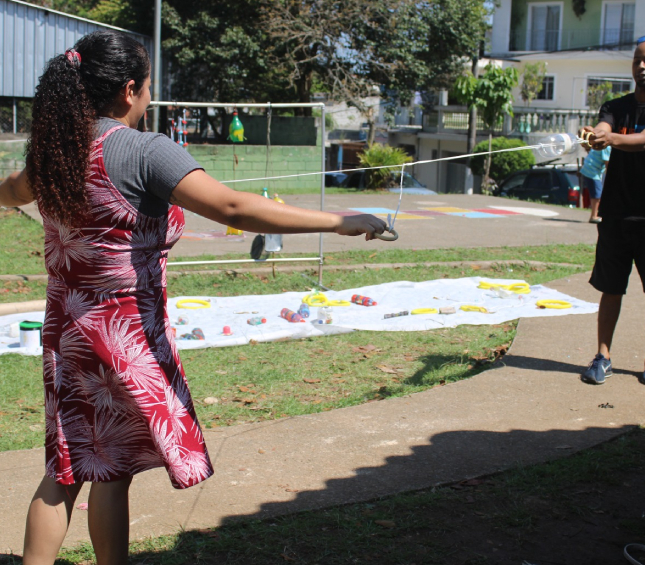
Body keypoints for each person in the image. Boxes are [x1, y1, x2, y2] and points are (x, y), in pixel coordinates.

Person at [0, 30, 387, 565]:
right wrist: (341, 220)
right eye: (149, 88)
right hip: (124, 335)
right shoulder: (143, 150)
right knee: (109, 469)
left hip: (65, 331)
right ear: (130, 90)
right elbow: (231, 207)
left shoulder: (55, 153)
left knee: (68, 466)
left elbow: (10, 192)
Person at [578, 35, 645, 386]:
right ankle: (603, 356)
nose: (642, 66)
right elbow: (604, 126)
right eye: (638, 59)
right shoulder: (615, 106)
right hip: (617, 216)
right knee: (611, 289)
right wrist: (595, 134)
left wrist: (612, 139)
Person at [579, 144, 611, 223]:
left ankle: (594, 212)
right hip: (592, 171)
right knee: (597, 195)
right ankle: (593, 216)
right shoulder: (606, 147)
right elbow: (607, 163)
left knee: (596, 194)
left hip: (589, 169)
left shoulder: (603, 144)